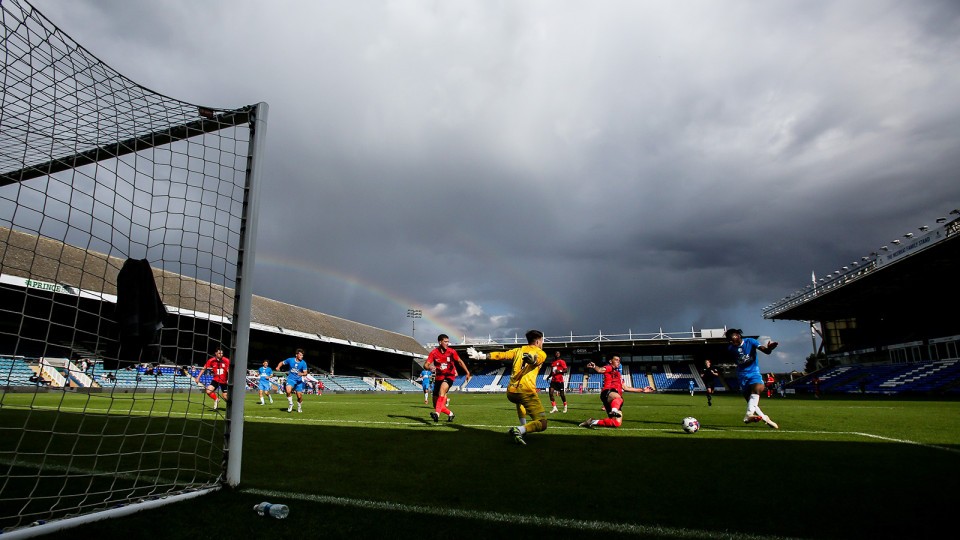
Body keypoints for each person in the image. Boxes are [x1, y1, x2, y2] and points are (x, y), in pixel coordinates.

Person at [467, 329, 547, 446]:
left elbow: (501, 355)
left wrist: (480, 356)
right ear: (538, 341)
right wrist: (533, 359)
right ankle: (520, 430)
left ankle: (522, 426)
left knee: (520, 403)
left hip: (511, 392)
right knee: (542, 423)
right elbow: (537, 358)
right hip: (526, 391)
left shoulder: (518, 350)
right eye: (542, 341)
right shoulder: (541, 352)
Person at [578, 355, 654, 429]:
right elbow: (600, 370)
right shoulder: (609, 367)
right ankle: (614, 411)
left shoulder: (618, 375)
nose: (618, 362)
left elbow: (625, 387)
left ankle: (592, 422)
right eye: (616, 360)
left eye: (619, 360)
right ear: (611, 361)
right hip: (608, 392)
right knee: (619, 398)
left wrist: (642, 390)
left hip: (614, 400)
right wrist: (594, 366)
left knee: (616, 423)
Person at [724, 329, 779, 429]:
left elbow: (766, 351)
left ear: (738, 335)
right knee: (751, 401)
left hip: (754, 372)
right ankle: (765, 418)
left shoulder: (750, 341)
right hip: (742, 375)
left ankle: (748, 416)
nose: (730, 341)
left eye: (731, 339)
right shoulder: (731, 349)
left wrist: (769, 348)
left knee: (758, 388)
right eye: (728, 340)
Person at [424, 334, 471, 423]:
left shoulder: (451, 352)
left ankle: (437, 414)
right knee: (436, 404)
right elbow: (426, 364)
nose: (447, 343)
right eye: (445, 342)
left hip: (449, 376)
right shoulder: (434, 353)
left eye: (448, 341)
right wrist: (429, 367)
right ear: (440, 342)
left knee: (442, 391)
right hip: (438, 378)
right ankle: (450, 414)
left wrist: (467, 372)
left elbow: (460, 362)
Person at [277, 349, 308, 413]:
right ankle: (291, 404)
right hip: (291, 379)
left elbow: (305, 373)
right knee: (288, 391)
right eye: (300, 355)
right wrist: (278, 367)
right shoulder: (290, 360)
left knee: (299, 396)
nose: (302, 356)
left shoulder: (303, 363)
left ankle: (299, 406)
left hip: (299, 381)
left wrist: (301, 374)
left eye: (302, 355)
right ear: (296, 355)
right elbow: (281, 362)